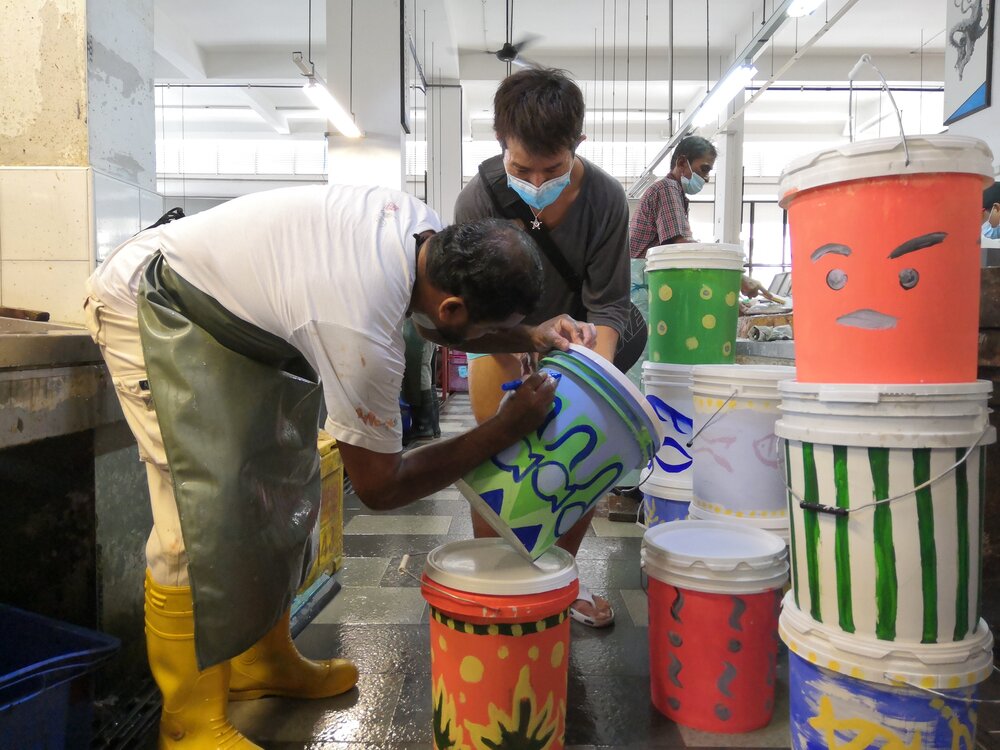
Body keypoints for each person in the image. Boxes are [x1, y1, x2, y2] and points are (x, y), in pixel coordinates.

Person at [83, 184, 595, 749]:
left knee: (273, 492)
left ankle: (262, 665)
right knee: (196, 516)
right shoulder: (361, 325)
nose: (487, 345)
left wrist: (529, 333)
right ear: (451, 308)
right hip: (154, 304)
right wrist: (500, 429)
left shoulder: (424, 237)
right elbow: (380, 486)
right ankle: (187, 722)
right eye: (482, 333)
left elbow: (438, 319)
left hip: (239, 330)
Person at [453, 67, 633, 629]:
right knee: (502, 457)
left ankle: (557, 582)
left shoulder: (604, 199)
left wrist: (586, 383)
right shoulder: (477, 199)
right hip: (501, 337)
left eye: (551, 169)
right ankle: (495, 584)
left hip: (582, 346)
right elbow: (475, 314)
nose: (534, 179)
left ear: (577, 144)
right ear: (500, 144)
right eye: (520, 167)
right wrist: (517, 355)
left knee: (579, 462)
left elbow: (609, 307)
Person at [629, 135, 768, 299]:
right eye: (705, 169)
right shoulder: (667, 189)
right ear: (682, 163)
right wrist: (735, 276)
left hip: (649, 285)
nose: (707, 178)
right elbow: (683, 248)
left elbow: (682, 255)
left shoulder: (676, 195)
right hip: (643, 289)